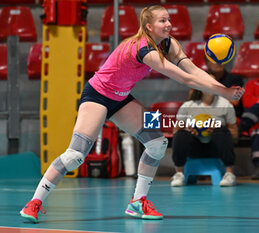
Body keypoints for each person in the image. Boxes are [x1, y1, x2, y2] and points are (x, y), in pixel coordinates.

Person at [19, 5, 244, 223]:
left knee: (157, 143)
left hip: (121, 98)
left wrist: (221, 89)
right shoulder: (143, 49)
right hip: (97, 94)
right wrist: (224, 90)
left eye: (169, 19)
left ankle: (138, 201)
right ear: (148, 26)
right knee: (76, 155)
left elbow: (193, 70)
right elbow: (185, 79)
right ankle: (34, 202)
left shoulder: (169, 44)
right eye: (162, 21)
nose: (169, 24)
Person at [170, 79, 239, 187]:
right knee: (181, 134)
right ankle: (179, 173)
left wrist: (215, 129)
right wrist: (190, 130)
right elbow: (175, 131)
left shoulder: (225, 104)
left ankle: (229, 174)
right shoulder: (188, 106)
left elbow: (234, 134)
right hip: (194, 147)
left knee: (222, 131)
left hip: (216, 148)